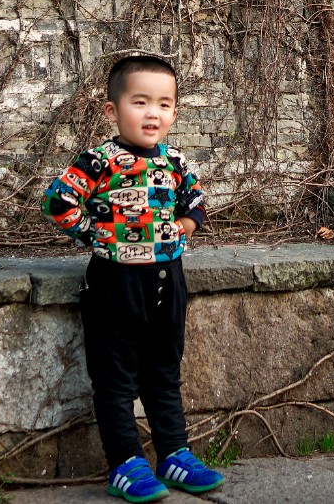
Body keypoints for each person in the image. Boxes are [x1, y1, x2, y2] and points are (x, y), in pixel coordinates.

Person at [42, 53, 225, 501]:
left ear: (174, 112)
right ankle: (125, 463)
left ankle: (175, 455)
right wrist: (96, 237)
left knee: (164, 372)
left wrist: (188, 226)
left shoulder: (176, 161)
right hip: (114, 284)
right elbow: (58, 202)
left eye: (164, 104)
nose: (152, 113)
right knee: (116, 378)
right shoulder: (99, 160)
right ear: (113, 110)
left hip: (168, 282)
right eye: (140, 102)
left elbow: (196, 201)